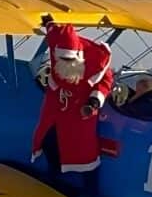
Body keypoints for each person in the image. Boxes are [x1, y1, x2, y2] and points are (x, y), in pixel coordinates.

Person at [31, 20, 113, 172]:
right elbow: (54, 32)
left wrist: (94, 101)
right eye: (63, 59)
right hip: (56, 111)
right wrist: (49, 22)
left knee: (86, 154)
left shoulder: (97, 59)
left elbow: (105, 81)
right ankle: (54, 177)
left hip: (80, 113)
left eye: (69, 59)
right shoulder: (58, 44)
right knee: (49, 142)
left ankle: (89, 191)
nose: (66, 62)